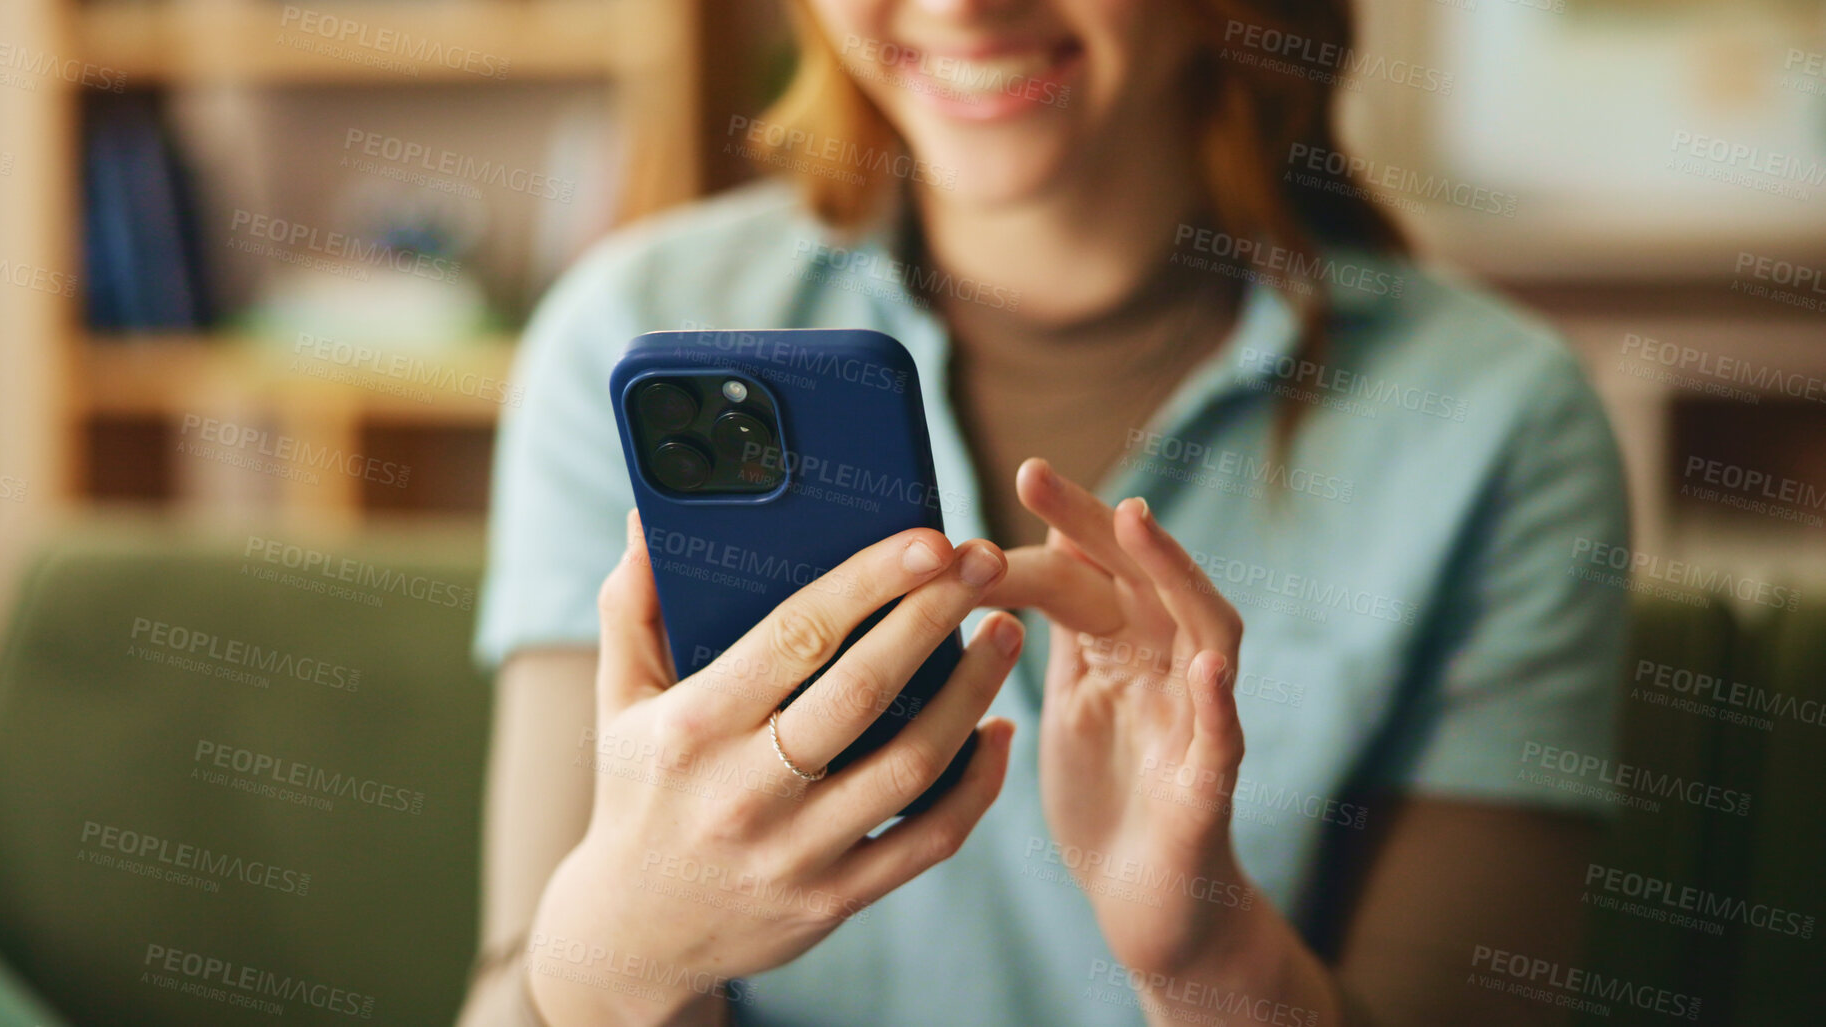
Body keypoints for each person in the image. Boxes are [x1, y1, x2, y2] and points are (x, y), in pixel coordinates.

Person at [460, 1, 1629, 1024]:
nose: (960, 6)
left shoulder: (1500, 422)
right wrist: (617, 966)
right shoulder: (628, 333)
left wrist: (1214, 960)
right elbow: (510, 991)